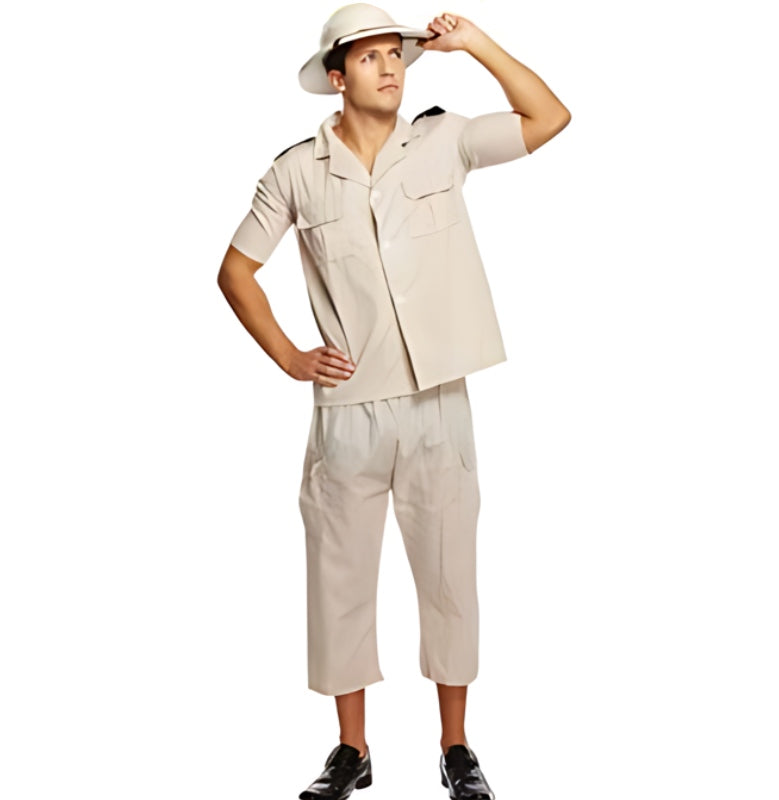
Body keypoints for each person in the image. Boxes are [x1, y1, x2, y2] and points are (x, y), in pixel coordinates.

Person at [217, 5, 570, 798]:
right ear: (336, 78)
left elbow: (549, 118)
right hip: (349, 410)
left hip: (439, 399)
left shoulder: (444, 142)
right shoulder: (296, 171)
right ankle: (352, 751)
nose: (390, 68)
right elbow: (236, 271)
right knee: (339, 578)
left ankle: (456, 748)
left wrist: (474, 44)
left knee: (450, 577)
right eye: (370, 57)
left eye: (396, 56)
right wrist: (289, 356)